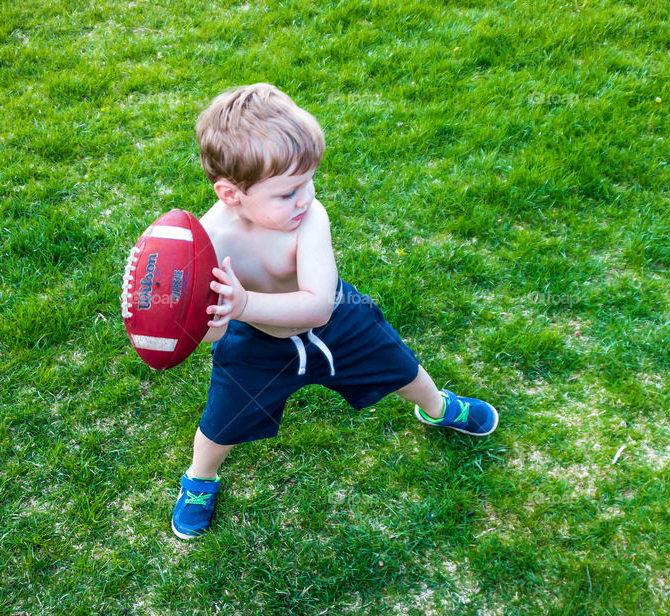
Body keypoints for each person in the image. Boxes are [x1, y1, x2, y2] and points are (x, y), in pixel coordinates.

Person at [171, 83, 498, 539]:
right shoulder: (208, 243)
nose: (305, 198)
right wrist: (217, 320)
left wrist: (244, 303)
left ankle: (437, 406)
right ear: (231, 194)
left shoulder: (310, 217)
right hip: (257, 345)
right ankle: (199, 480)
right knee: (221, 421)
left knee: (401, 367)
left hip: (339, 320)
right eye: (288, 192)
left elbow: (319, 306)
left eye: (309, 181)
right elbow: (205, 332)